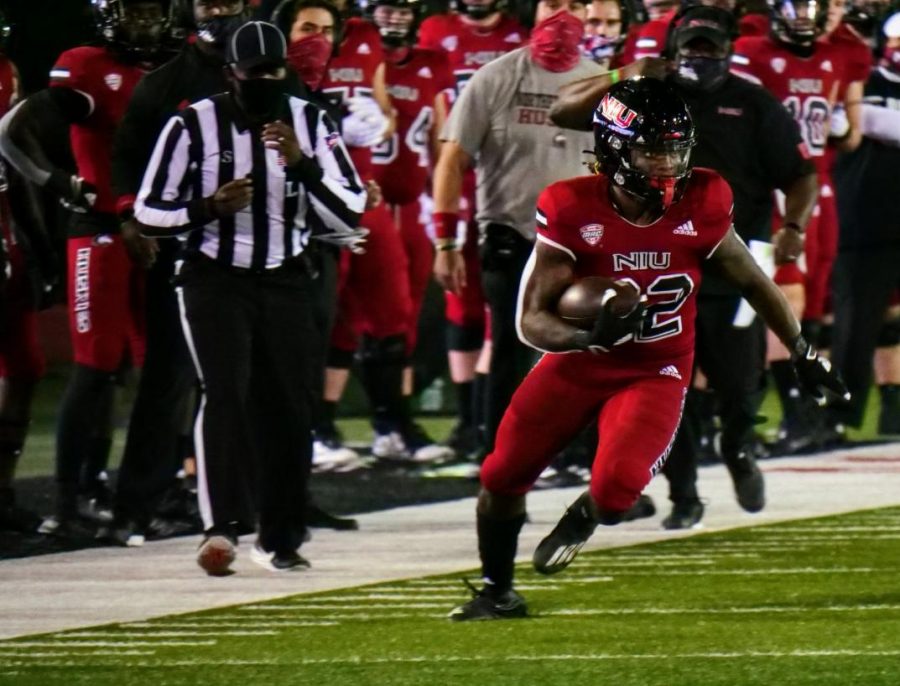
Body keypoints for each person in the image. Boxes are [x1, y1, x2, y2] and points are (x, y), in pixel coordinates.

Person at [449, 77, 848, 621]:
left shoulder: (704, 198)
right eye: (652, 149)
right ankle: (497, 589)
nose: (666, 163)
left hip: (655, 368)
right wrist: (586, 336)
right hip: (577, 362)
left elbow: (755, 280)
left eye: (675, 149)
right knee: (501, 475)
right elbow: (531, 321)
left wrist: (802, 350)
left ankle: (589, 512)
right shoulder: (570, 207)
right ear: (613, 147)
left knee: (616, 494)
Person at [135, 20, 366, 575]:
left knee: (289, 405)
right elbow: (147, 209)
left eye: (273, 70)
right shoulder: (191, 124)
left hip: (286, 273)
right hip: (213, 273)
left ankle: (281, 536)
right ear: (229, 73)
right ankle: (220, 527)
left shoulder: (310, 121)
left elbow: (351, 211)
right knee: (225, 392)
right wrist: (205, 209)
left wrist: (303, 166)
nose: (264, 80)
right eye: (252, 72)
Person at [0, 0, 170, 538]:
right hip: (98, 230)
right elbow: (10, 133)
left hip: (157, 230)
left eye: (151, 12)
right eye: (133, 11)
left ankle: (135, 489)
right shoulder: (86, 65)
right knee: (96, 366)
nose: (143, 22)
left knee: (154, 372)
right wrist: (58, 183)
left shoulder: (174, 67)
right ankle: (69, 500)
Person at [433, 1, 602, 459]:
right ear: (534, 9)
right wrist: (445, 240)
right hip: (511, 232)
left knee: (587, 352)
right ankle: (501, 461)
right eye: (552, 3)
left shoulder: (601, 81)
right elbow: (452, 160)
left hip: (580, 243)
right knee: (510, 350)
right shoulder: (495, 76)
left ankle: (582, 458)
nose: (562, 13)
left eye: (574, 4)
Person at [730, 0, 855, 450]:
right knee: (785, 300)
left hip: (814, 186)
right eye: (795, 6)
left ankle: (806, 414)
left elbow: (846, 133)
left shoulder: (837, 55)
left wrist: (841, 122)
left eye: (812, 7)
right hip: (777, 188)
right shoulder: (751, 50)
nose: (804, 15)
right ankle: (789, 413)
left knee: (816, 302)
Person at [418, 0, 528, 459]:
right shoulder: (433, 33)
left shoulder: (519, 36)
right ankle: (469, 421)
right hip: (453, 175)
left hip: (501, 183)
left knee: (498, 315)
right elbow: (432, 117)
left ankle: (487, 426)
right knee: (462, 306)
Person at [368, 0, 455, 415]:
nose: (395, 17)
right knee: (356, 315)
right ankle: (330, 421)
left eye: (404, 9)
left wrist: (442, 201)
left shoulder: (433, 62)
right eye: (387, 8)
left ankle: (396, 417)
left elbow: (441, 141)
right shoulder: (353, 54)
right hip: (363, 201)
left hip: (413, 201)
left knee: (409, 312)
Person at [830, 12, 900, 434]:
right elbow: (856, 123)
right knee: (854, 324)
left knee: (891, 320)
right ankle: (840, 416)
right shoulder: (864, 79)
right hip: (866, 219)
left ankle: (892, 412)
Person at [0, 19, 57, 533]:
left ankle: (2, 491)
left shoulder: (6, 72)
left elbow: (14, 169)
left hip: (5, 239)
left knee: (25, 367)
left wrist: (40, 245)